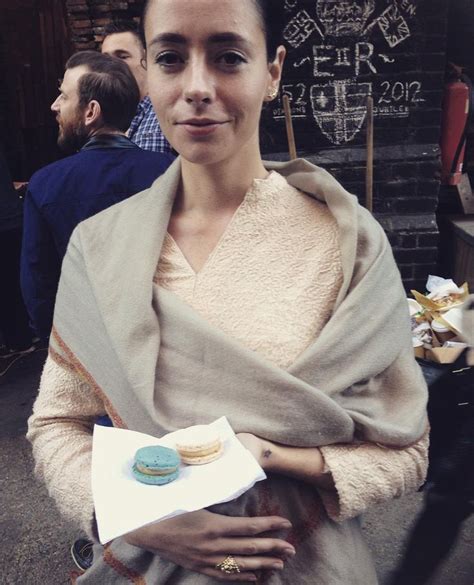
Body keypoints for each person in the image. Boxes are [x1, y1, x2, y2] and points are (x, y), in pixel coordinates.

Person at [27, 1, 429, 583]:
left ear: (273, 71)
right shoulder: (101, 248)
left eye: (229, 57)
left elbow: (408, 450)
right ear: (147, 76)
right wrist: (130, 517)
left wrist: (272, 456)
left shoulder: (345, 243)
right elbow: (58, 421)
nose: (195, 87)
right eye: (169, 58)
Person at [20, 51, 173, 341]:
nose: (55, 106)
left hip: (87, 345)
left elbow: (38, 283)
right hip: (163, 337)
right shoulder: (167, 171)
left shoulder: (45, 184)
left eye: (64, 97)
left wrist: (55, 345)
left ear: (91, 111)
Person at [101, 19, 173, 154]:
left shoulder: (167, 113)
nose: (110, 65)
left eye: (122, 56)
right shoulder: (102, 119)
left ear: (147, 59)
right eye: (106, 59)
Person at [0, 147, 36, 375]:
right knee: (13, 282)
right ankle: (20, 337)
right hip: (10, 219)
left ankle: (18, 338)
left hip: (6, 219)